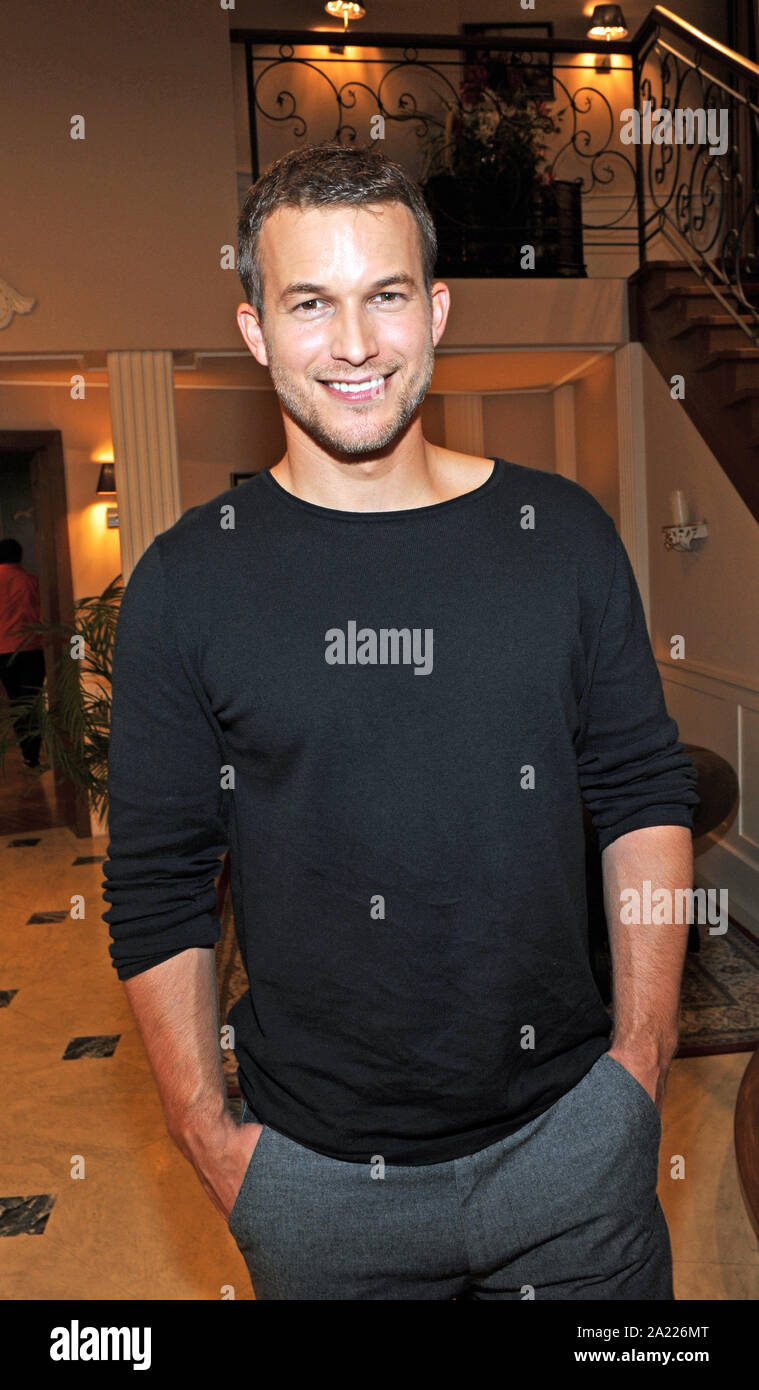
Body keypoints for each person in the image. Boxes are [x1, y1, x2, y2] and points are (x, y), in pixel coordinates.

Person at [102, 144, 700, 1301]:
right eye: (310, 303)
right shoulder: (185, 586)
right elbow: (162, 881)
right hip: (318, 1188)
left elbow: (641, 792)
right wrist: (211, 1142)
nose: (356, 343)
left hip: (574, 1152)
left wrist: (645, 1055)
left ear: (434, 310)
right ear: (254, 329)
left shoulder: (563, 537)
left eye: (384, 296)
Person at [0, 537, 46, 768]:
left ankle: (25, 749)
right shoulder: (29, 581)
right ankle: (33, 752)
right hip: (30, 649)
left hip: (2, 651)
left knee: (16, 701)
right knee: (32, 701)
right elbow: (40, 614)